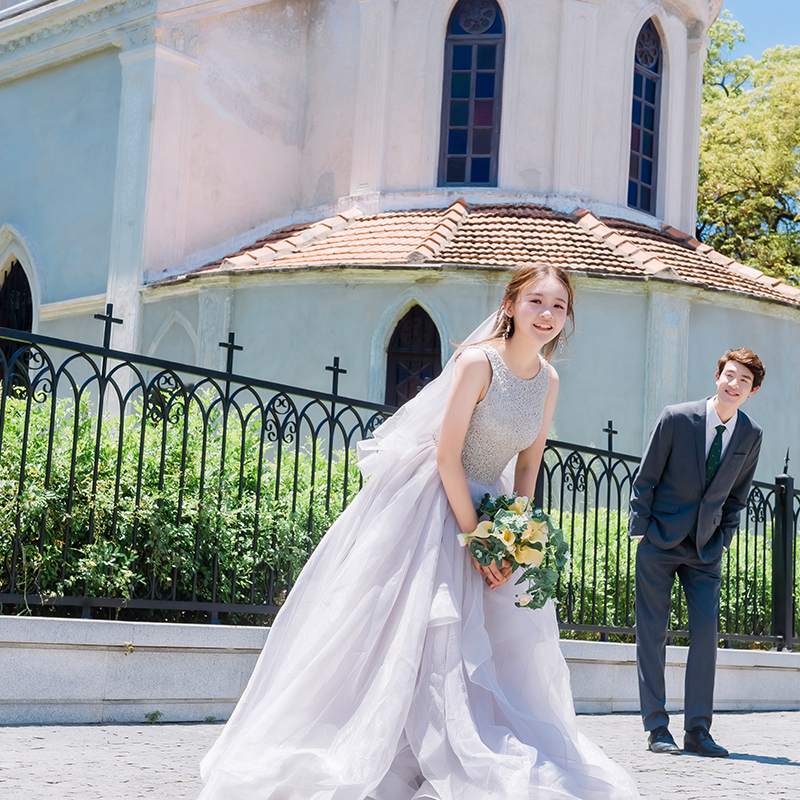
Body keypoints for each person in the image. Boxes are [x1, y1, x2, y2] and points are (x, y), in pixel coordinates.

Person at [199, 263, 640, 800]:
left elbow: (529, 465)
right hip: (437, 499)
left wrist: (513, 537)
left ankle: (455, 746)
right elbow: (446, 456)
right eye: (536, 302)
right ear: (510, 306)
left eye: (558, 307)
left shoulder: (548, 381)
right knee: (423, 629)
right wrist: (475, 536)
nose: (547, 315)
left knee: (489, 642)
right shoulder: (478, 363)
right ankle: (390, 746)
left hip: (495, 507)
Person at [629, 348, 765, 759]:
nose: (734, 384)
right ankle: (657, 728)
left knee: (706, 635)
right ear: (717, 375)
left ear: (752, 390)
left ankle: (698, 731)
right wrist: (641, 533)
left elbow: (738, 497)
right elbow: (646, 477)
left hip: (705, 549)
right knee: (652, 634)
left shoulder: (750, 434)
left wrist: (722, 540)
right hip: (659, 540)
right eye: (729, 374)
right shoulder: (676, 417)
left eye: (743, 380)